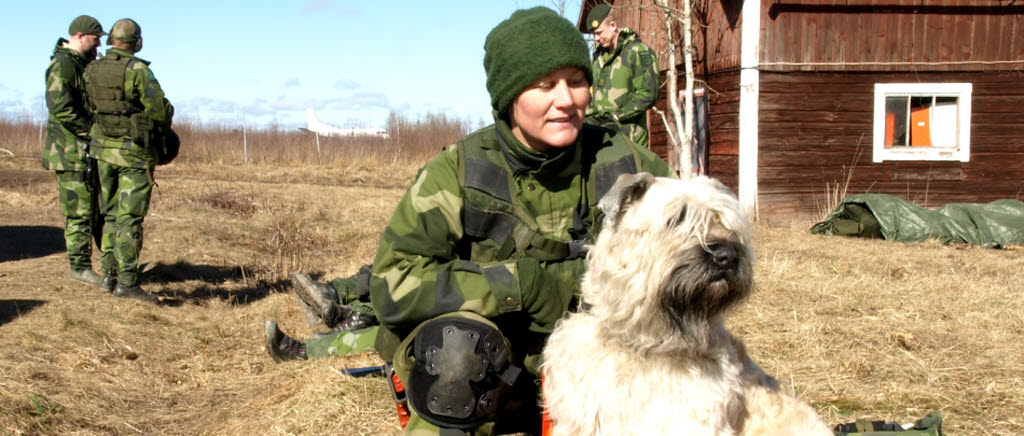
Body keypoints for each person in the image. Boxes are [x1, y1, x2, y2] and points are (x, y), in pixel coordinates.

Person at [265, 7, 672, 434]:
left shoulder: (626, 163)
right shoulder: (459, 172)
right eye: (545, 85)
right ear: (510, 94)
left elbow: (694, 248)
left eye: (576, 81)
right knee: (457, 352)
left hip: (605, 357)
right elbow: (392, 285)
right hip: (491, 365)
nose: (566, 99)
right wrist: (520, 285)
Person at [83, 18, 174, 302]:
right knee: (129, 218)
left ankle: (109, 274)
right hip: (131, 152)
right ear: (136, 42)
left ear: (111, 40)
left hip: (101, 151)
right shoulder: (138, 71)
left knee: (108, 213)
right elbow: (160, 110)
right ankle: (128, 282)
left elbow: (88, 106)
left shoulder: (92, 69)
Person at [43, 15, 114, 290]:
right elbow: (61, 107)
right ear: (80, 36)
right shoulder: (62, 65)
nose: (98, 47)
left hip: (84, 151)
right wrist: (91, 131)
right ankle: (80, 268)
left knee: (97, 210)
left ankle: (111, 266)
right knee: (79, 212)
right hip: (69, 152)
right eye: (95, 41)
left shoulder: (81, 64)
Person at [584, 3, 660, 148]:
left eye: (599, 32)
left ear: (613, 25)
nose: (596, 38)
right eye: (594, 34)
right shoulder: (598, 57)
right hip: (601, 136)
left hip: (630, 137)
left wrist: (617, 116)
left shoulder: (637, 51)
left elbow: (649, 94)